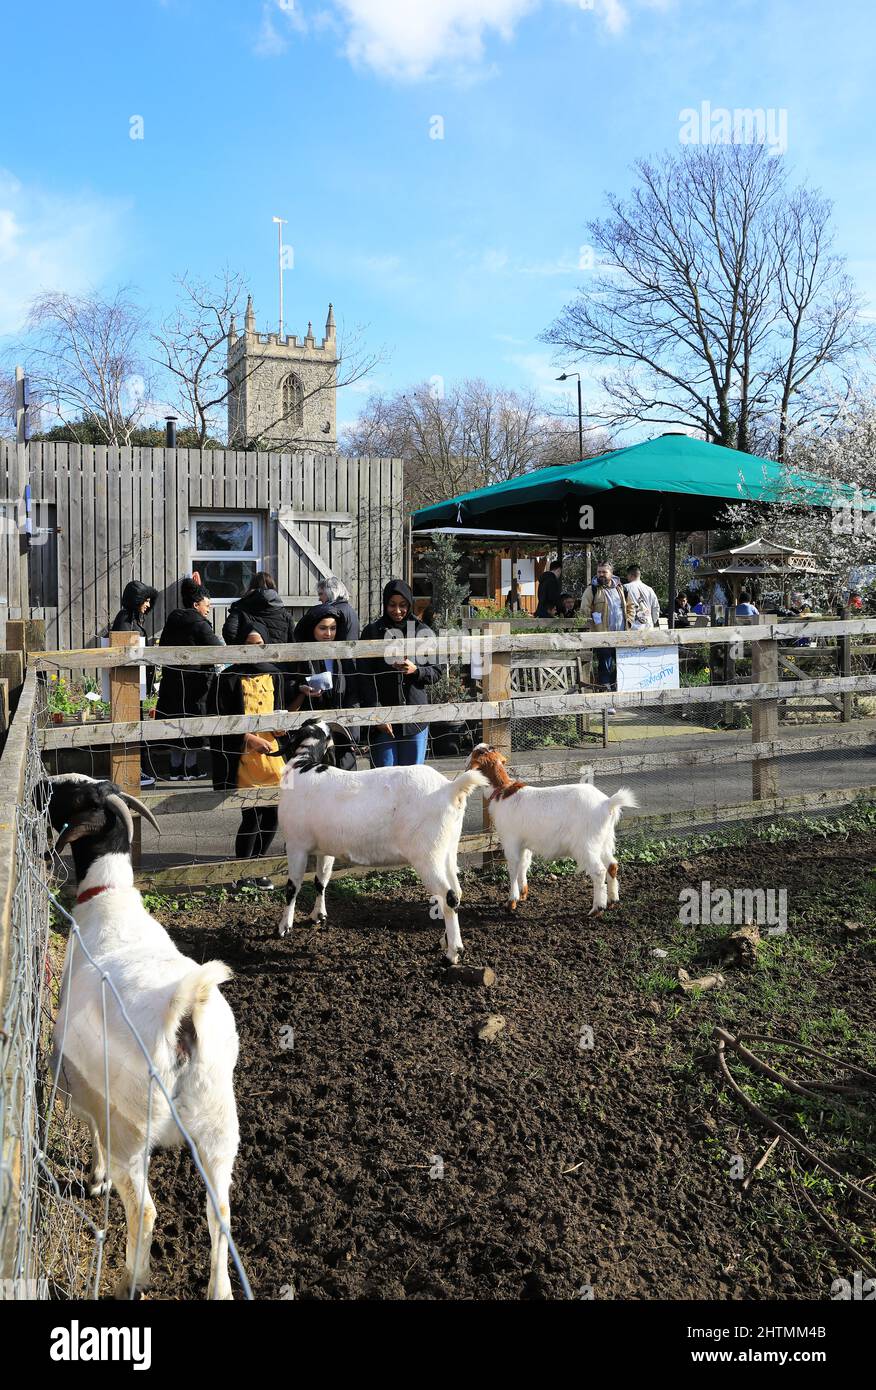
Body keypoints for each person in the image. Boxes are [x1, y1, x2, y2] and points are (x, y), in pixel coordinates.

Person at [209, 630, 288, 890]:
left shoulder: (275, 673)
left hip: (273, 756)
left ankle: (260, 866)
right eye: (251, 645)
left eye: (261, 644)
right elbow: (219, 721)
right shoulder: (228, 679)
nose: (256, 649)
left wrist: (281, 728)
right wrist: (248, 739)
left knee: (273, 814)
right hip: (244, 757)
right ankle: (243, 869)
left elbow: (281, 711)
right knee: (252, 815)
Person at [358, 578, 439, 766]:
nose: (397, 610)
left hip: (415, 719)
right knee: (384, 779)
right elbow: (364, 678)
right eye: (392, 605)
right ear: (385, 604)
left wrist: (416, 671)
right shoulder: (372, 632)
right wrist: (376, 712)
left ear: (410, 604)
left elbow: (436, 671)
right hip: (382, 721)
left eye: (403, 605)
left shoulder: (423, 631)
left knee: (413, 779)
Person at [156, 578, 224, 780]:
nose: (208, 609)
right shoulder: (199, 624)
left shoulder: (172, 621)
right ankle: (191, 769)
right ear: (196, 605)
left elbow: (162, 649)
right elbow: (217, 650)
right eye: (207, 605)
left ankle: (175, 769)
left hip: (172, 681)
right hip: (196, 683)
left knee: (176, 721)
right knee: (193, 722)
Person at [109, 580, 159, 787]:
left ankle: (138, 769)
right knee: (129, 724)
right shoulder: (125, 620)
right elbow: (124, 651)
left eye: (149, 601)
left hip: (135, 683)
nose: (147, 605)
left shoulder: (134, 619)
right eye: (145, 600)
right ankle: (132, 772)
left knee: (136, 723)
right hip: (127, 683)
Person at [580, 560, 634, 691]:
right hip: (602, 636)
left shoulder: (621, 588)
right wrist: (591, 627)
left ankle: (618, 691)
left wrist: (629, 622)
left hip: (621, 636)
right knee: (605, 667)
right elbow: (584, 610)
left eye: (604, 572)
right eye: (599, 572)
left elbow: (631, 606)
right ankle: (607, 698)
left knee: (622, 666)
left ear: (611, 573)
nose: (601, 575)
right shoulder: (591, 589)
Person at [288, 603, 351, 714]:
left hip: (338, 716)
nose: (328, 634)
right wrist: (300, 688)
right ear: (312, 628)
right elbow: (288, 685)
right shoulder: (299, 655)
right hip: (307, 718)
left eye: (333, 628)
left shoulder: (341, 654)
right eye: (322, 628)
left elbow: (352, 689)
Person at [221, 572, 296, 649]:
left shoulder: (241, 608)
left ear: (251, 586)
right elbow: (293, 640)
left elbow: (229, 631)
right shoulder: (284, 613)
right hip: (278, 658)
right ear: (272, 586)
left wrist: (239, 650)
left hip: (249, 657)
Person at [624, 564, 660, 629]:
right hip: (648, 627)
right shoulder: (649, 589)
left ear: (630, 575)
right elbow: (656, 608)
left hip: (633, 628)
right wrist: (652, 621)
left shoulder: (626, 587)